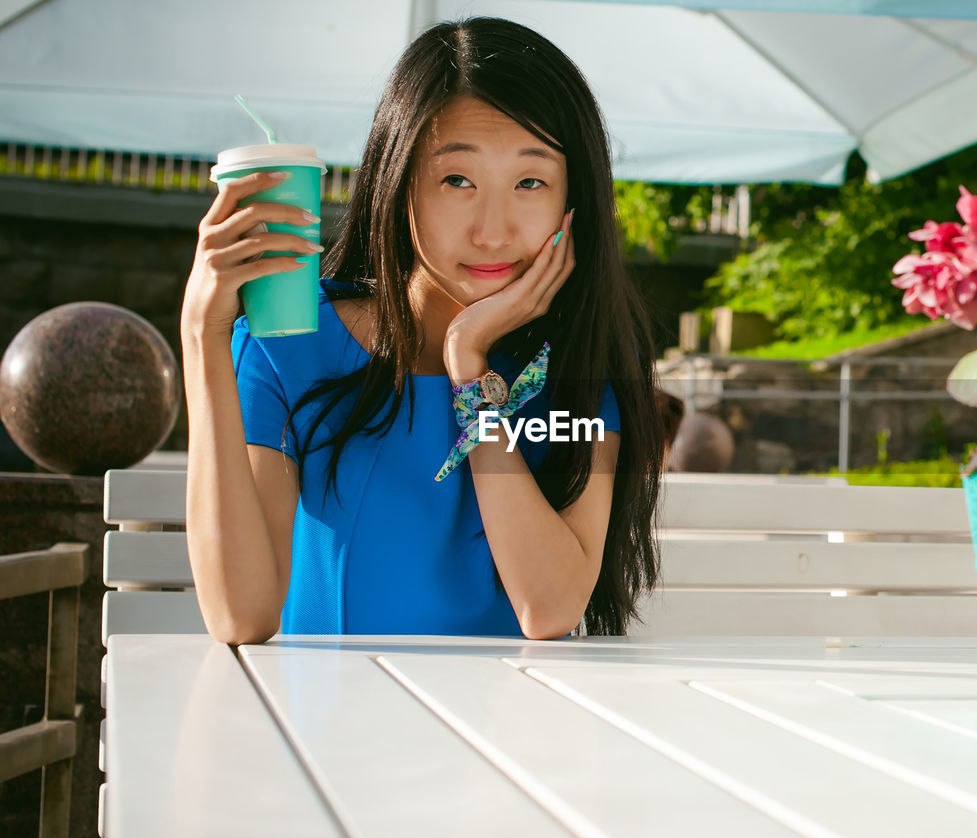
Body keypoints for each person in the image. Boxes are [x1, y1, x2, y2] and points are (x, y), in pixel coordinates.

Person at [179, 16, 665, 645]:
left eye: (529, 182)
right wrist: (202, 332)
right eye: (457, 180)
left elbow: (549, 608)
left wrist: (470, 365)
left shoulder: (584, 356)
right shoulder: (294, 344)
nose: (493, 231)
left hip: (511, 732)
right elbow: (241, 615)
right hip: (322, 733)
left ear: (574, 203)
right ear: (399, 183)